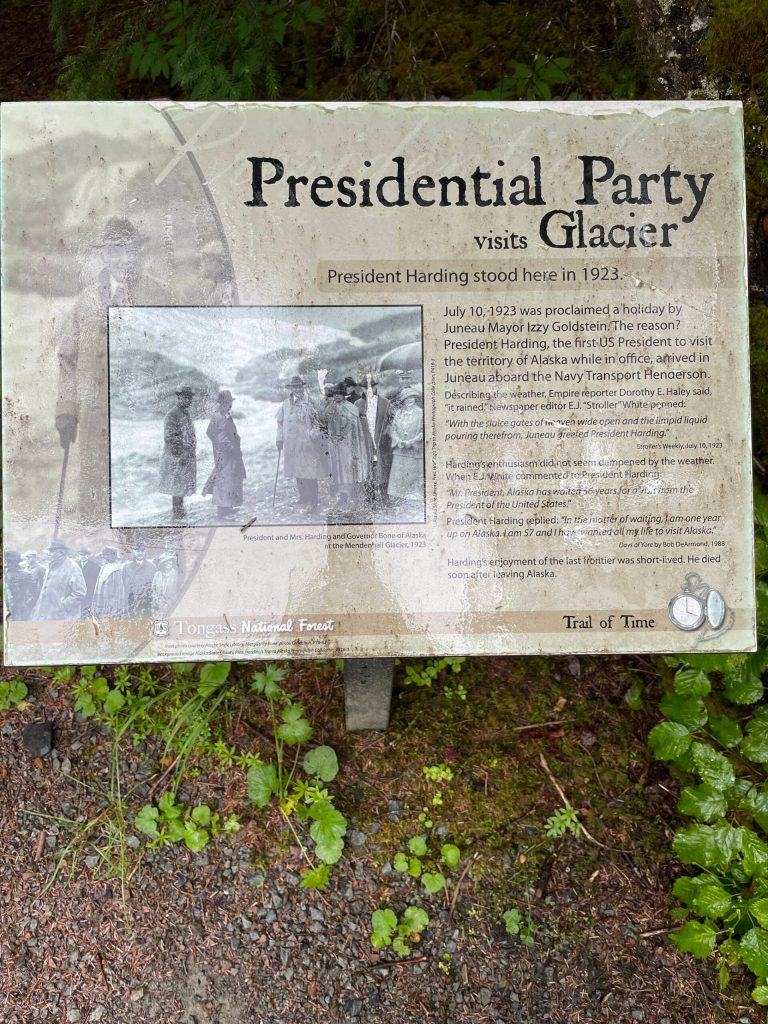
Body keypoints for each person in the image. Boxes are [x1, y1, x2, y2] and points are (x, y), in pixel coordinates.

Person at [55, 218, 155, 531]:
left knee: (139, 506)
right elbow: (67, 359)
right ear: (104, 254)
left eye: (129, 250)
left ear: (137, 252)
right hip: (94, 416)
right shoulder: (85, 301)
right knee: (95, 512)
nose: (123, 259)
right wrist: (66, 410)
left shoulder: (158, 295)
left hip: (140, 416)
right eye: (115, 250)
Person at [275, 376, 328, 513]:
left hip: (307, 445)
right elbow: (280, 423)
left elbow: (320, 422)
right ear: (291, 388)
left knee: (309, 473)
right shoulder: (285, 404)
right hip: (291, 445)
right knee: (297, 471)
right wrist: (279, 439)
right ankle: (303, 497)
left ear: (303, 387)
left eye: (300, 386)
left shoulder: (310, 402)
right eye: (295, 387)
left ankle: (313, 501)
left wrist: (312, 435)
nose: (298, 389)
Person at [202, 390, 246, 520]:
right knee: (225, 480)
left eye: (230, 402)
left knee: (229, 479)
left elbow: (210, 432)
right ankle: (223, 512)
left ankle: (228, 508)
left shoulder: (222, 415)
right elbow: (221, 438)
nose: (230, 405)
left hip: (224, 453)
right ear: (222, 403)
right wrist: (232, 450)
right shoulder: (220, 417)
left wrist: (218, 444)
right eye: (228, 402)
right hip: (226, 454)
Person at [325, 383, 368, 510]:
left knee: (349, 468)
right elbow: (326, 423)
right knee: (338, 470)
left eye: (339, 394)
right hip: (335, 444)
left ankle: (355, 498)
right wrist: (333, 436)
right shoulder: (330, 408)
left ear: (344, 395)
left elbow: (354, 427)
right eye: (335, 394)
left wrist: (344, 436)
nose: (337, 396)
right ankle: (342, 497)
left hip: (349, 444)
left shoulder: (351, 408)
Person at [159, 386, 197, 520]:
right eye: (186, 398)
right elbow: (169, 437)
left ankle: (180, 513)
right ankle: (177, 514)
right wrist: (181, 454)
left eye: (190, 398)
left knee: (182, 486)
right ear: (179, 397)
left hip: (185, 456)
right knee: (177, 488)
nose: (189, 401)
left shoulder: (185, 413)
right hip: (176, 457)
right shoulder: (172, 414)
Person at [355, 377, 393, 506]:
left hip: (382, 442)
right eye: (366, 388)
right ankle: (369, 497)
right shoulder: (358, 404)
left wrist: (386, 432)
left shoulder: (385, 403)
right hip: (365, 442)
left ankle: (385, 496)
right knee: (367, 468)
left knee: (383, 468)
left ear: (376, 387)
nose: (369, 390)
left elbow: (391, 422)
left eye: (372, 387)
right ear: (362, 389)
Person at [32, 539, 87, 621]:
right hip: (46, 614)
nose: (49, 553)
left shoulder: (73, 567)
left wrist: (63, 606)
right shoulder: (50, 566)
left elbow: (80, 592)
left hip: (63, 616)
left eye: (52, 551)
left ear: (61, 552)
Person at [387, 389, 424, 502]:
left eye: (412, 397)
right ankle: (398, 495)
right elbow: (393, 429)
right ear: (403, 400)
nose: (409, 400)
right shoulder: (399, 413)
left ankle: (413, 495)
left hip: (414, 449)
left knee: (413, 473)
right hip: (400, 449)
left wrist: (411, 442)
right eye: (407, 398)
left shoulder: (420, 413)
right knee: (399, 473)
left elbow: (423, 431)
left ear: (415, 399)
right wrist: (398, 441)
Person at [90, 546, 127, 619]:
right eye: (106, 555)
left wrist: (115, 608)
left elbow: (118, 591)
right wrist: (102, 552)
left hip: (110, 603)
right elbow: (92, 558)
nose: (107, 557)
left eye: (109, 555)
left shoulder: (116, 569)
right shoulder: (104, 567)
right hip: (100, 600)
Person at [121, 543, 156, 618]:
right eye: (137, 551)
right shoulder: (126, 568)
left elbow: (154, 588)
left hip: (146, 606)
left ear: (145, 551)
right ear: (133, 551)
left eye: (142, 550)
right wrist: (125, 605)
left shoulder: (152, 567)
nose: (140, 553)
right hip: (130, 605)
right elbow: (124, 588)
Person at [3, 551, 36, 620]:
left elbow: (35, 592)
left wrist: (27, 603)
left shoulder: (26, 574)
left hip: (19, 610)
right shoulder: (5, 574)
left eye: (11, 561)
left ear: (16, 562)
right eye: (8, 561)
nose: (8, 563)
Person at [152, 551, 179, 617]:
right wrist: (155, 599)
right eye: (166, 561)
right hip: (158, 606)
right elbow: (153, 589)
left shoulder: (175, 574)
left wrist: (169, 603)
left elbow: (177, 591)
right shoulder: (158, 574)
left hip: (171, 605)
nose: (169, 563)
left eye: (170, 561)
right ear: (163, 563)